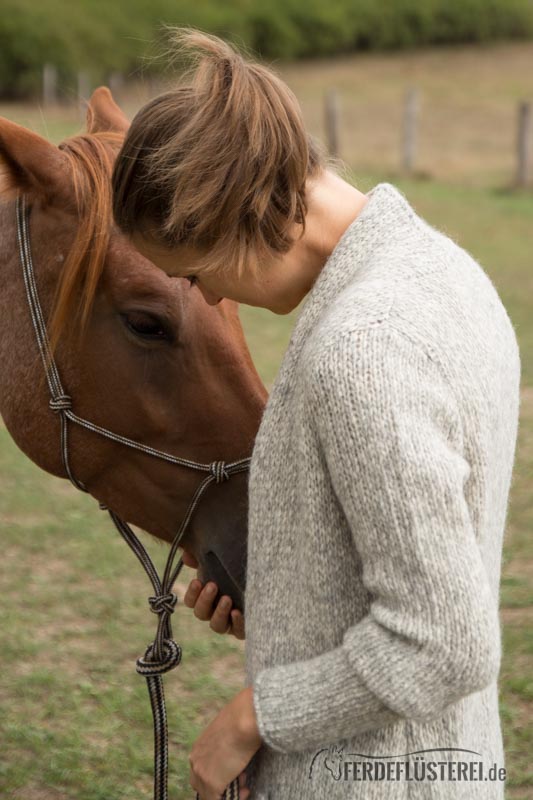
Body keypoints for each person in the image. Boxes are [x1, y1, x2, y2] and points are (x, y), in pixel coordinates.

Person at [111, 28, 521, 800]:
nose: (208, 298)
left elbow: (445, 643)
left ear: (227, 213)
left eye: (193, 271)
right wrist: (288, 604)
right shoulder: (444, 271)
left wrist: (253, 715)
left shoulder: (363, 351)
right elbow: (420, 566)